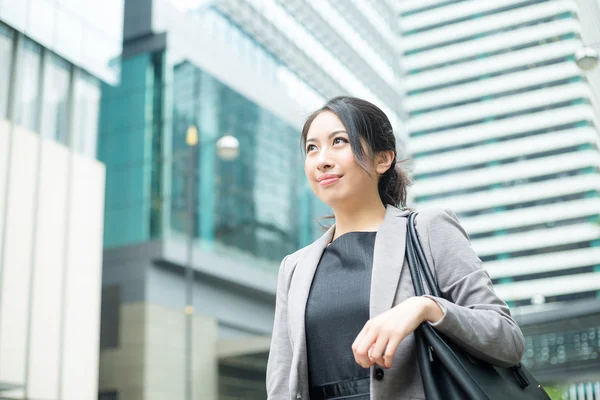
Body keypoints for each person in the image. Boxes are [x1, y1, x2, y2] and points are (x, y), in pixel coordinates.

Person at [266, 96, 525, 400]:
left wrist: (426, 307)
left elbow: (508, 340)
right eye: (312, 148)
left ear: (383, 159)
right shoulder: (294, 267)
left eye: (339, 141)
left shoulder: (428, 229)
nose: (322, 159)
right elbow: (282, 383)